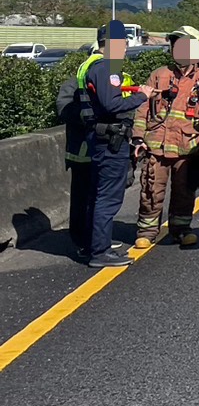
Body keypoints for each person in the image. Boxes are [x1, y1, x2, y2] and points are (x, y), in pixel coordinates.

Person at [132, 26, 199, 249]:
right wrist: (138, 138)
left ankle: (181, 229)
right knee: (151, 189)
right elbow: (143, 109)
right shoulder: (159, 75)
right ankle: (147, 231)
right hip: (156, 146)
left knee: (184, 191)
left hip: (188, 149)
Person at [82, 20, 157, 268]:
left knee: (98, 196)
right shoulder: (108, 68)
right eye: (124, 43)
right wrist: (141, 96)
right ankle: (100, 252)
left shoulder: (95, 67)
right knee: (108, 199)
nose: (126, 48)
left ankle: (95, 246)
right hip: (110, 142)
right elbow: (112, 104)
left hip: (101, 139)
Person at [57, 28, 106, 257]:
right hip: (81, 152)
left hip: (102, 150)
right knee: (82, 198)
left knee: (100, 197)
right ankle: (82, 241)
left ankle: (97, 239)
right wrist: (90, 113)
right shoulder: (74, 83)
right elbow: (64, 109)